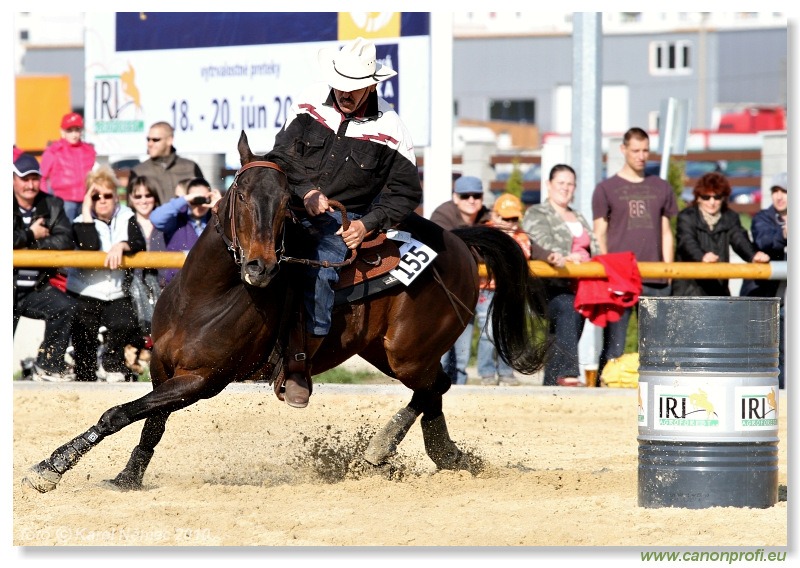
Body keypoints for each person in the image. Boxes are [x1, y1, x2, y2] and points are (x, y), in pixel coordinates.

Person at [266, 36, 422, 408]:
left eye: (353, 88)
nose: (344, 93)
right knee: (240, 247)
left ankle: (300, 364)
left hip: (337, 224)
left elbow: (404, 193)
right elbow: (281, 154)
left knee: (322, 269)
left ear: (372, 85)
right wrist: (306, 192)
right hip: (288, 206)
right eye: (340, 84)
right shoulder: (307, 104)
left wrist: (366, 225)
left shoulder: (393, 129)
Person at [592, 127, 679, 377]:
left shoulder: (661, 187)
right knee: (614, 348)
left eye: (645, 150)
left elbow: (665, 232)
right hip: (620, 278)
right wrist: (607, 273)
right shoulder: (606, 189)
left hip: (656, 279)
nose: (641, 156)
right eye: (635, 150)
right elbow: (600, 233)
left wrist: (668, 272)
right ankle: (604, 397)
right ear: (623, 150)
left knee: (657, 348)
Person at [66, 166, 147, 382]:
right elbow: (90, 246)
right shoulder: (78, 223)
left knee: (124, 322)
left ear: (115, 197)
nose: (102, 200)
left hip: (116, 291)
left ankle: (112, 364)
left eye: (107, 195)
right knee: (84, 334)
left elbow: (140, 243)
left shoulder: (127, 216)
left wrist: (122, 244)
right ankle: (84, 375)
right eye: (95, 196)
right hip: (85, 290)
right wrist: (85, 210)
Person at [523, 164, 599, 386]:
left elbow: (595, 247)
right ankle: (567, 373)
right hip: (548, 285)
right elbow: (539, 243)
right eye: (561, 183)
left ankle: (552, 387)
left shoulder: (579, 217)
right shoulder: (537, 213)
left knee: (562, 334)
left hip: (580, 285)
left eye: (570, 184)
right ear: (548, 185)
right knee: (567, 308)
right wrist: (569, 256)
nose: (565, 188)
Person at [478, 193, 560, 386]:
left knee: (508, 332)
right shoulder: (487, 233)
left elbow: (537, 250)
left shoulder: (522, 236)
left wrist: (550, 256)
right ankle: (487, 373)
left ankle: (506, 372)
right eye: (506, 218)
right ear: (494, 217)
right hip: (488, 290)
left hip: (512, 292)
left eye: (514, 218)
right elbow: (478, 255)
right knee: (488, 333)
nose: (511, 223)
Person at [13, 152, 77, 382]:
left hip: (35, 287)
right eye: (24, 178)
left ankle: (48, 366)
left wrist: (26, 243)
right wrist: (32, 233)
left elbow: (65, 240)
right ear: (12, 179)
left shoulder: (51, 203)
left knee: (66, 307)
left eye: (34, 179)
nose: (30, 185)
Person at [430, 175, 492, 385]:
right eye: (466, 196)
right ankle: (435, 383)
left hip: (474, 289)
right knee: (444, 346)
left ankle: (460, 386)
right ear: (455, 198)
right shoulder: (442, 214)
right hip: (445, 293)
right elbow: (447, 250)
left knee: (463, 351)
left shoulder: (488, 216)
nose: (472, 200)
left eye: (477, 195)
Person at [673, 171, 770, 296]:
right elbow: (686, 242)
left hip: (717, 288)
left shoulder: (730, 217)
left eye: (717, 197)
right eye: (706, 197)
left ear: (723, 198)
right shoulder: (687, 217)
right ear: (698, 198)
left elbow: (739, 239)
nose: (712, 202)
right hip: (689, 288)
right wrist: (702, 257)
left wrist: (753, 256)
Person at [741, 172, 787, 389]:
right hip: (765, 299)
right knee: (766, 352)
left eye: (785, 191)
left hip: (788, 300)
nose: (779, 196)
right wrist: (784, 234)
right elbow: (763, 240)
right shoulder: (763, 217)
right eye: (775, 191)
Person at [150, 177, 222, 285]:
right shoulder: (177, 219)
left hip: (209, 285)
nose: (199, 205)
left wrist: (220, 206)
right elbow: (156, 218)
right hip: (177, 284)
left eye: (204, 199)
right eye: (196, 200)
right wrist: (185, 199)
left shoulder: (216, 218)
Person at [126, 122, 205, 205]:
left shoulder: (191, 167)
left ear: (169, 140)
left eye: (155, 140)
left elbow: (204, 198)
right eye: (148, 139)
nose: (150, 144)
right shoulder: (138, 172)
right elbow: (131, 205)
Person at [126, 176, 167, 334]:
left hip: (162, 284)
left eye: (148, 195)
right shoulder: (125, 222)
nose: (143, 201)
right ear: (130, 198)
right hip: (132, 284)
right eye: (138, 196)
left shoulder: (165, 223)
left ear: (155, 198)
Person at [39, 112, 97, 222]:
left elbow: (95, 174)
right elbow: (41, 177)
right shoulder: (53, 151)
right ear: (62, 132)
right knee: (66, 233)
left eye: (77, 130)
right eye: (70, 131)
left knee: (87, 231)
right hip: (64, 201)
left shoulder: (89, 151)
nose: (74, 134)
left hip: (86, 199)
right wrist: (46, 201)